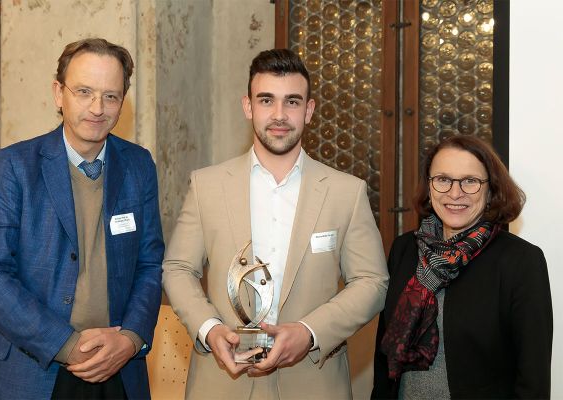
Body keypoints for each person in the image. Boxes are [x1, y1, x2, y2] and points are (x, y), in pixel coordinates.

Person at [163, 48, 388, 399]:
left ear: (309, 111)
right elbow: (178, 268)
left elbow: (372, 282)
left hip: (313, 383)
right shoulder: (206, 185)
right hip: (222, 382)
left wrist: (309, 332)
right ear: (248, 107)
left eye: (293, 102)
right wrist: (209, 329)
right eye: (266, 100)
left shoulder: (347, 192)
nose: (279, 115)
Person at [0, 38, 164, 399]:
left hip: (118, 368)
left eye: (111, 95)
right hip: (33, 371)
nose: (97, 107)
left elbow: (150, 264)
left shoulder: (138, 166)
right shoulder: (14, 167)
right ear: (59, 93)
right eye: (84, 91)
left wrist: (131, 338)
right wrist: (65, 344)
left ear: (123, 100)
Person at [372, 135, 553, 399]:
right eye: (443, 179)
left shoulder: (520, 261)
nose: (455, 193)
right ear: (430, 186)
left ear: (490, 190)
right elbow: (383, 353)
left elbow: (533, 377)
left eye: (470, 181)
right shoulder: (405, 249)